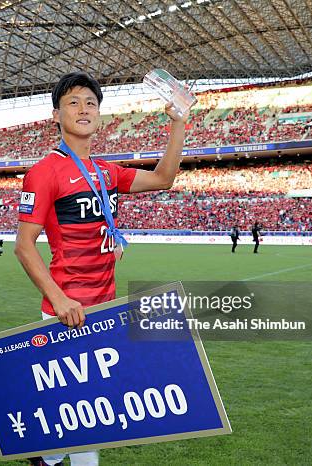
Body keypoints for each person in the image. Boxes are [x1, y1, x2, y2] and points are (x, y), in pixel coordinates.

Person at [14, 71, 187, 466]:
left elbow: (164, 178)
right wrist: (59, 300)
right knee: (85, 414)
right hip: (65, 312)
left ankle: (46, 459)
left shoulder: (105, 171)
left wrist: (178, 122)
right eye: (73, 102)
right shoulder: (45, 172)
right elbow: (24, 247)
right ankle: (49, 458)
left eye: (91, 102)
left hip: (104, 309)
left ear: (101, 115)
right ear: (55, 115)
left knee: (83, 411)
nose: (83, 108)